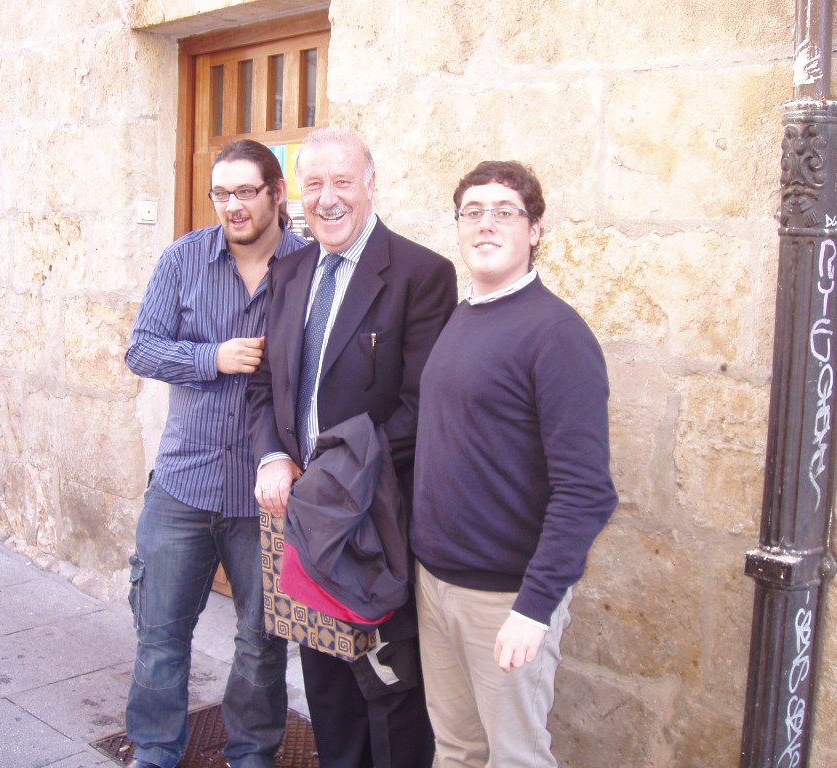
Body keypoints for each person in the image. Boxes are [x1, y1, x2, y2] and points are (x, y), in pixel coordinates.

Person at [246, 126, 458, 768]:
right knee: (327, 685)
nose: (328, 198)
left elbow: (421, 407)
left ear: (371, 186)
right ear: (295, 195)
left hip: (373, 514)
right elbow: (264, 386)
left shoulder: (420, 274)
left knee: (388, 686)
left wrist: (332, 473)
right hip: (301, 516)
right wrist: (272, 455)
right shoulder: (288, 271)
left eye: (343, 182)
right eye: (314, 184)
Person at [410, 160, 618, 768]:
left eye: (505, 212)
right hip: (437, 584)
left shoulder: (556, 335)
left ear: (535, 230)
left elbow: (586, 492)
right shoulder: (461, 315)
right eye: (472, 212)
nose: (486, 224)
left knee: (515, 757)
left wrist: (535, 606)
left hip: (505, 598)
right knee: (456, 750)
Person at [123, 139, 307, 768]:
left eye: (245, 192)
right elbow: (141, 349)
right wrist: (211, 357)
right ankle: (153, 750)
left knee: (262, 642)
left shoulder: (311, 267)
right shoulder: (183, 259)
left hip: (268, 497)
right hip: (184, 483)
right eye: (221, 194)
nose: (232, 206)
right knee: (160, 634)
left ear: (277, 193)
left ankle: (251, 755)